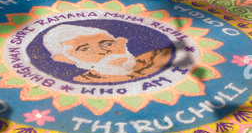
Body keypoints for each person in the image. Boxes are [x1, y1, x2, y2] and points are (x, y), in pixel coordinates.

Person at [43, 24, 172, 83]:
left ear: (121, 43)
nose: (104, 52)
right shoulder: (83, 83)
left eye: (107, 44)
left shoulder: (159, 56)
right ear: (64, 59)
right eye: (84, 49)